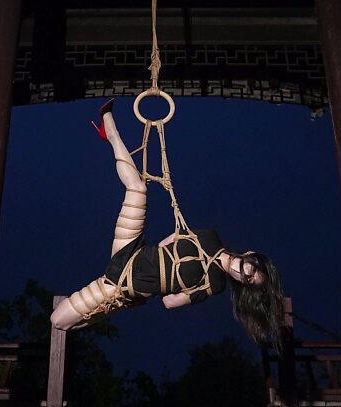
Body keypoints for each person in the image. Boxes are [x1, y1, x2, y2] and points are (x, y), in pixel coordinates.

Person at [51, 99, 285, 349]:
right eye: (250, 268)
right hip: (132, 252)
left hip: (123, 286)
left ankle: (105, 311)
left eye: (246, 280)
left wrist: (140, 291)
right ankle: (110, 130)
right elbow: (170, 246)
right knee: (137, 187)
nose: (242, 273)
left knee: (59, 321)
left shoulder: (215, 283)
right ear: (249, 255)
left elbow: (170, 301)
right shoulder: (210, 237)